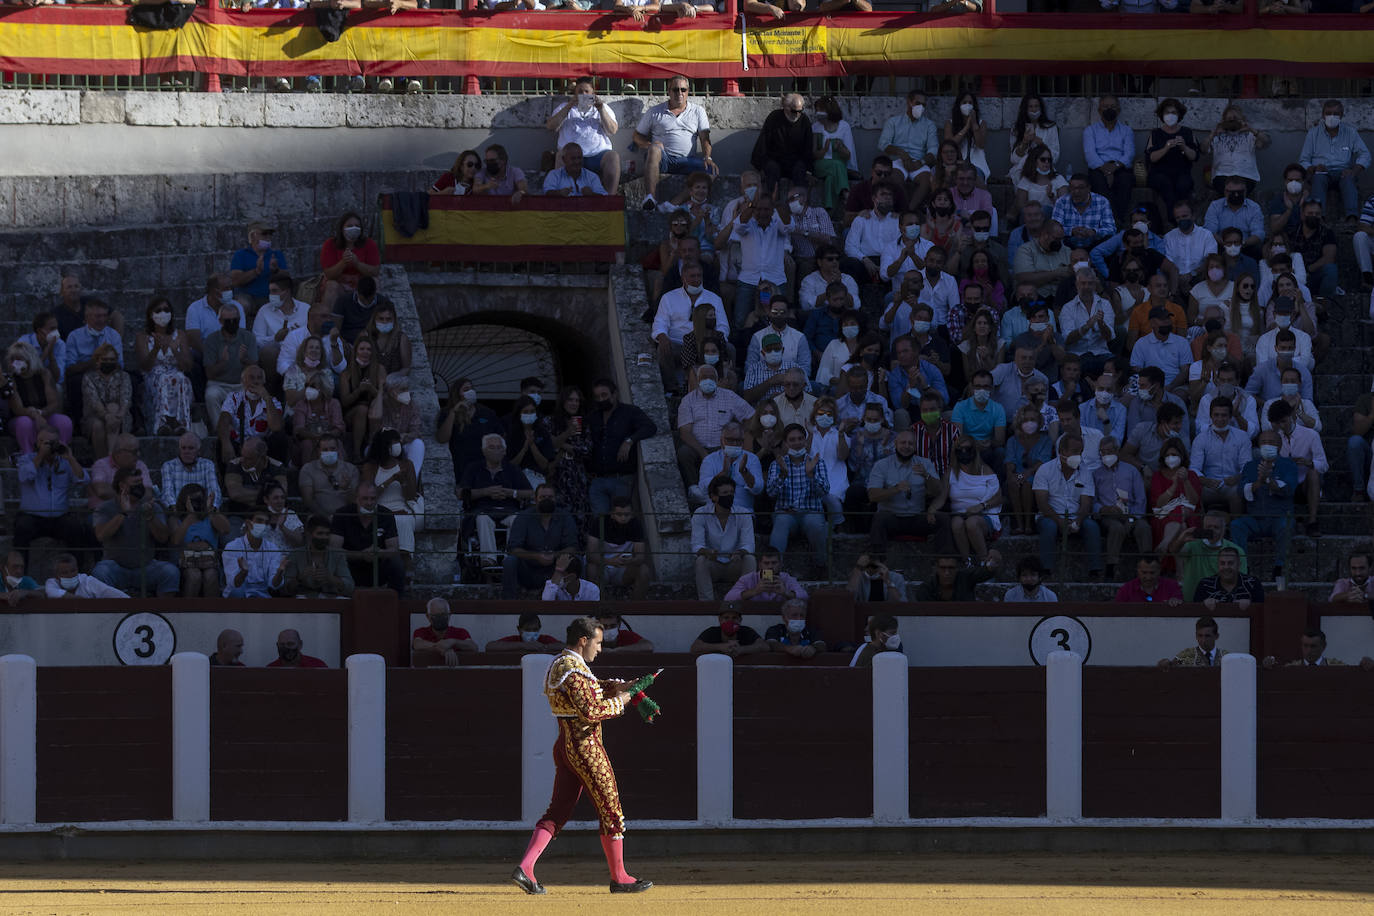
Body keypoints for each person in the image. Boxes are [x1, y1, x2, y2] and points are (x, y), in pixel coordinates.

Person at [513, 615, 653, 896]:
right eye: (598, 643)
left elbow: (592, 690)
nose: (600, 649)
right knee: (611, 809)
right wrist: (623, 700)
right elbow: (591, 710)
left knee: (558, 810)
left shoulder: (564, 665)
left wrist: (622, 686)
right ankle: (620, 877)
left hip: (566, 747)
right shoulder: (572, 670)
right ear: (583, 640)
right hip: (585, 746)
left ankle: (526, 868)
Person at [91, 467, 180, 597]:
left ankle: (163, 613)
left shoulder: (152, 506)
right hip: (116, 567)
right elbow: (101, 535)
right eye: (135, 484)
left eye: (141, 483)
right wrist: (123, 513)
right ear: (122, 486)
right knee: (100, 572)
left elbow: (163, 537)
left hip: (146, 567)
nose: (139, 487)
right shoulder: (104, 508)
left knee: (170, 572)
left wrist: (150, 517)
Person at [1230, 427, 1301, 588]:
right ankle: (1243, 567)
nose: (1267, 445)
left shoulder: (1288, 465)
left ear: (1279, 445)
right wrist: (1259, 483)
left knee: (1286, 526)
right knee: (1236, 525)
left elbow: (1289, 489)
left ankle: (1279, 567)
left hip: (1279, 517)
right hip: (1255, 518)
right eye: (1263, 442)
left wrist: (1269, 480)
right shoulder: (1250, 466)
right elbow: (1242, 490)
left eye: (1271, 442)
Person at [634, 75, 714, 212]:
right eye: (675, 89)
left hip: (688, 160)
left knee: (712, 170)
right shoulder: (654, 112)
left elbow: (704, 138)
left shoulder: (698, 111)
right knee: (654, 150)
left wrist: (708, 157)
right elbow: (637, 136)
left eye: (683, 89)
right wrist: (650, 146)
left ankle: (671, 204)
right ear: (668, 91)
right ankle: (650, 198)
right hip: (664, 159)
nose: (680, 93)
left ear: (688, 91)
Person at [13, 427, 89, 566]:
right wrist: (40, 456)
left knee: (76, 528)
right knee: (21, 528)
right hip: (32, 517)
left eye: (52, 442)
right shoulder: (26, 459)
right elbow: (24, 476)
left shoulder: (65, 462)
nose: (49, 446)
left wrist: (70, 458)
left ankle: (78, 577)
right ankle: (19, 579)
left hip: (59, 517)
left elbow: (83, 480)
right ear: (37, 443)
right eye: (45, 442)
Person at [1033, 433, 1102, 579]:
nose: (1079, 456)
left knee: (1092, 527)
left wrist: (1077, 521)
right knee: (1049, 527)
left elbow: (1086, 503)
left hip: (1076, 516)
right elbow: (1042, 503)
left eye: (1081, 452)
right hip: (1050, 517)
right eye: (1075, 452)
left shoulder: (1085, 472)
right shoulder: (1045, 470)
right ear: (1062, 451)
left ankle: (1095, 571)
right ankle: (1046, 570)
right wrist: (1060, 521)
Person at [585, 379, 657, 516]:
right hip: (597, 480)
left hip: (622, 479)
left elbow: (650, 427)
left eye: (604, 395)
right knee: (600, 523)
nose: (601, 399)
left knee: (623, 521)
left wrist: (629, 441)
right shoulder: (593, 417)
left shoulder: (629, 412)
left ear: (614, 394)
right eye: (598, 397)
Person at [676, 364, 753, 484]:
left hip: (722, 446)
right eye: (704, 377)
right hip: (697, 447)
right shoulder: (688, 400)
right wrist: (702, 452)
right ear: (698, 380)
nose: (708, 380)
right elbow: (685, 433)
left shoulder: (729, 396)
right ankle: (693, 488)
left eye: (711, 377)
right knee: (684, 453)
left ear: (717, 380)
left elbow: (751, 416)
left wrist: (740, 433)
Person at [502, 482, 579, 599]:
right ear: (535, 499)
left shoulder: (565, 517)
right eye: (543, 497)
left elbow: (572, 546)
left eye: (550, 497)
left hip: (556, 568)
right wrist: (536, 556)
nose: (546, 500)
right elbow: (513, 548)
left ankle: (578, 601)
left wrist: (554, 556)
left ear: (555, 498)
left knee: (577, 560)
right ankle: (508, 604)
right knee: (510, 561)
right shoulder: (523, 517)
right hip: (528, 570)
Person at [546, 76, 621, 195]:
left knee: (613, 157)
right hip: (570, 156)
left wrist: (601, 109)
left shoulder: (603, 108)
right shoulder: (564, 107)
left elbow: (613, 130)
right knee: (561, 155)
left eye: (587, 91)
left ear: (593, 93)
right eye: (580, 92)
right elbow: (550, 126)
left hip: (597, 155)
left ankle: (609, 199)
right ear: (575, 93)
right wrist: (569, 106)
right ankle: (562, 197)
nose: (583, 94)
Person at [1298, 100, 1371, 221]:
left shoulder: (1350, 132)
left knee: (1348, 179)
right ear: (1322, 115)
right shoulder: (1313, 133)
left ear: (1342, 115)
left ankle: (1351, 218)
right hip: (1321, 172)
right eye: (1328, 113)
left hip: (1343, 172)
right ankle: (1320, 218)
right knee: (1318, 178)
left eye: (1336, 113)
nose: (1332, 116)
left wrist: (1353, 171)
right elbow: (1303, 160)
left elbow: (1365, 155)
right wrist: (1314, 168)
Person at [329, 480, 405, 593]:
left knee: (396, 561)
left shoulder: (386, 514)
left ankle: (396, 599)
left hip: (377, 565)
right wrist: (361, 555)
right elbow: (334, 550)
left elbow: (394, 549)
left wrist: (378, 552)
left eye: (373, 498)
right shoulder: (342, 514)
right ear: (356, 498)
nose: (369, 503)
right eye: (365, 498)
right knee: (333, 560)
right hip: (349, 566)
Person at [1093, 436, 1151, 581]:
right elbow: (1092, 500)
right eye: (1102, 452)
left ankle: (1149, 566)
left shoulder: (1131, 471)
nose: (1106, 455)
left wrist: (1132, 518)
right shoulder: (1096, 474)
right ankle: (1111, 567)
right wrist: (1103, 509)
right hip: (1108, 517)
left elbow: (1140, 499)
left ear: (1117, 451)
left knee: (1143, 527)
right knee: (1116, 528)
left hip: (1130, 514)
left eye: (1109, 451)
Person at [692, 476, 756, 601]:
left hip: (734, 563)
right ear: (713, 497)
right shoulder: (700, 513)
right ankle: (707, 604)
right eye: (725, 493)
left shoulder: (743, 513)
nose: (729, 496)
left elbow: (749, 544)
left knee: (750, 559)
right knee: (700, 561)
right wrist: (707, 552)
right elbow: (696, 546)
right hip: (713, 564)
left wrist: (740, 552)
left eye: (732, 493)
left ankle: (743, 600)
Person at [134, 297, 191, 435]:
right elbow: (145, 366)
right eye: (158, 310)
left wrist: (175, 350)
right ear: (151, 314)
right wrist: (156, 349)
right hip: (153, 376)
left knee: (180, 378)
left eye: (166, 310)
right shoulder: (142, 337)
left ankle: (180, 423)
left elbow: (188, 366)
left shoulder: (180, 335)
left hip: (177, 375)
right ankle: (162, 424)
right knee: (164, 379)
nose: (163, 313)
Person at [1169, 509, 1247, 601]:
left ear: (1223, 529)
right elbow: (1174, 551)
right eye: (1208, 527)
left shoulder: (1237, 551)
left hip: (1222, 603)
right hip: (1193, 602)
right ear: (1203, 527)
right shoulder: (1192, 545)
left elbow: (1241, 580)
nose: (1212, 530)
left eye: (1216, 527)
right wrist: (1181, 540)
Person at [6, 341, 69, 455]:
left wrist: (41, 413)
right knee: (25, 423)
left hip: (44, 414)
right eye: (13, 359)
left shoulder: (44, 374)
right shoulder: (11, 379)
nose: (16, 362)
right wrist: (35, 415)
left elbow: (53, 403)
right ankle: (28, 454)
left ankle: (61, 454)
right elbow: (17, 409)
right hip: (22, 417)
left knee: (63, 421)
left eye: (19, 359)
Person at [945, 435, 1001, 564]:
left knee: (971, 523)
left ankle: (984, 562)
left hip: (984, 514)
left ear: (974, 451)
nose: (964, 452)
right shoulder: (950, 473)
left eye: (967, 449)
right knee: (957, 523)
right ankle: (967, 563)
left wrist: (981, 506)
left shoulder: (985, 470)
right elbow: (941, 495)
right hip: (959, 514)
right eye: (960, 449)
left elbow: (999, 497)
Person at [169, 483, 229, 598]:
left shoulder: (210, 516)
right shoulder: (175, 519)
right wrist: (190, 515)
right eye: (193, 500)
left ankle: (212, 612)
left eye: (199, 499)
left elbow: (226, 530)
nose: (196, 502)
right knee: (194, 575)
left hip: (209, 562)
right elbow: (176, 540)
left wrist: (211, 510)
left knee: (210, 575)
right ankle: (187, 611)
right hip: (186, 564)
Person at [1083, 95, 1136, 222]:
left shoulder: (1126, 130)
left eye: (1112, 107)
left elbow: (1129, 153)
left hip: (1120, 167)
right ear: (1099, 110)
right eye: (1105, 107)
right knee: (1100, 186)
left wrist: (1114, 168)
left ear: (1118, 110)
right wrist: (1106, 170)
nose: (1109, 109)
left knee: (1125, 183)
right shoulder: (1090, 131)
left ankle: (1118, 221)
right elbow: (1090, 154)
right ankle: (1111, 222)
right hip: (1099, 168)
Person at [586, 497, 650, 599]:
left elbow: (641, 557)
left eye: (627, 514)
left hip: (624, 568)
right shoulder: (599, 522)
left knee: (644, 570)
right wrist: (610, 561)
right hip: (603, 566)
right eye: (619, 514)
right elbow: (591, 555)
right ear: (612, 514)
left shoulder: (636, 525)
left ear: (632, 514)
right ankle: (600, 604)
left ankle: (635, 608)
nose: (623, 518)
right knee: (591, 567)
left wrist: (631, 560)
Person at [750, 92, 811, 198]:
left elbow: (808, 147)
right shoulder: (774, 118)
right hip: (776, 160)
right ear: (786, 108)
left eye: (800, 111)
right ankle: (772, 203)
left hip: (795, 161)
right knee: (772, 169)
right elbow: (763, 143)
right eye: (794, 111)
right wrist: (759, 166)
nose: (797, 114)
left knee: (800, 170)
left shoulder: (804, 120)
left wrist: (810, 169)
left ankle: (800, 204)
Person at [222, 506, 288, 598]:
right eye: (259, 521)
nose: (263, 525)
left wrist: (280, 572)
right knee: (237, 592)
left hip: (262, 595)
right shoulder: (232, 547)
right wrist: (243, 572)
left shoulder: (273, 548)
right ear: (248, 523)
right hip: (238, 595)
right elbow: (233, 584)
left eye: (266, 522)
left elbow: (274, 584)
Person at [281, 515, 354, 599]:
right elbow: (284, 588)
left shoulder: (337, 554)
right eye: (320, 533)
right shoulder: (296, 554)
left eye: (327, 534)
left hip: (331, 600)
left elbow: (350, 587)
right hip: (303, 600)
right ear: (309, 534)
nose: (324, 537)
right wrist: (299, 579)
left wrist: (330, 578)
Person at [80, 343, 130, 461]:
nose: (109, 362)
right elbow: (93, 400)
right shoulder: (88, 377)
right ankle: (103, 461)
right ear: (97, 361)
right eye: (105, 359)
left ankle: (111, 456)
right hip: (93, 416)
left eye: (112, 359)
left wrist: (118, 416)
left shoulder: (124, 376)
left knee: (113, 407)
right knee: (98, 425)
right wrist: (107, 416)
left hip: (120, 417)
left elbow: (126, 398)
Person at [228, 221, 289, 313]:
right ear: (252, 236)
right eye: (264, 234)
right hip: (247, 296)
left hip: (270, 296)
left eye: (270, 234)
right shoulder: (241, 255)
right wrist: (256, 272)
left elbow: (287, 278)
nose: (268, 237)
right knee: (241, 304)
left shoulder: (276, 255)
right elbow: (235, 281)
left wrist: (276, 270)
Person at [811, 95, 859, 210]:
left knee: (830, 179)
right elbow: (814, 155)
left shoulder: (844, 126)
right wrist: (824, 149)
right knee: (836, 165)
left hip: (839, 167)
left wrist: (840, 148)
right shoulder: (815, 128)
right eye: (817, 110)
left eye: (821, 110)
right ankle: (845, 192)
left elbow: (848, 154)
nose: (818, 113)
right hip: (821, 165)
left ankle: (829, 210)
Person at [1051, 173, 1117, 250]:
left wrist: (1094, 232)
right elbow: (1054, 229)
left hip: (1094, 244)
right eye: (1072, 188)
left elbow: (1111, 229)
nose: (1076, 191)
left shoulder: (1102, 201)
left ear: (1089, 188)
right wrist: (1071, 231)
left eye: (1081, 188)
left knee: (1108, 240)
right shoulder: (1061, 201)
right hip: (1068, 244)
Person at [411, 597, 477, 667]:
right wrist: (442, 647)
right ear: (428, 616)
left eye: (443, 615)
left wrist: (453, 641)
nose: (440, 618)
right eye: (436, 616)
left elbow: (473, 647)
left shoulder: (460, 632)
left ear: (449, 615)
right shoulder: (421, 632)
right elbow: (417, 644)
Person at [723, 546, 805, 602]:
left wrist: (786, 593)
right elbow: (728, 598)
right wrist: (754, 591)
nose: (770, 566)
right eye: (766, 563)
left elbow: (805, 596)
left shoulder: (786, 578)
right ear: (759, 565)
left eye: (774, 563)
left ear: (780, 564)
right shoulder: (748, 578)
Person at [1263, 629, 1374, 670]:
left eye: (1313, 646)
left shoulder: (1337, 667)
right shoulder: (1292, 667)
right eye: (1305, 646)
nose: (1309, 650)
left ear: (1323, 646)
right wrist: (1269, 665)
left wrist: (1367, 664)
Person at [1009, 94, 1061, 180]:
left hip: (1045, 168)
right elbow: (1014, 159)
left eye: (1036, 106)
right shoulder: (1016, 128)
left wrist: (1040, 143)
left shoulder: (1051, 127)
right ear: (1025, 109)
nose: (1034, 110)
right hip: (1023, 169)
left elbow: (1055, 157)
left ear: (1041, 108)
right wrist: (1024, 142)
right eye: (1030, 106)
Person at [1194, 546, 1265, 607]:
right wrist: (1203, 604)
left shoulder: (1253, 583)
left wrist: (1251, 605)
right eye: (1222, 563)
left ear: (1239, 565)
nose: (1226, 567)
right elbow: (1194, 613)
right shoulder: (1205, 584)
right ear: (1217, 565)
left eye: (1230, 563)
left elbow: (1263, 610)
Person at [691, 604, 768, 657]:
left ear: (740, 620)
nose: (730, 621)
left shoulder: (746, 631)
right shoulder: (712, 632)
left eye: (734, 618)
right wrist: (720, 647)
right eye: (726, 617)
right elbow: (695, 648)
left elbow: (765, 646)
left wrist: (741, 649)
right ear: (720, 620)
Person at [763, 598, 829, 660]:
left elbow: (821, 645)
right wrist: (789, 649)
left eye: (802, 615)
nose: (799, 618)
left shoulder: (812, 631)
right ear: (784, 618)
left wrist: (813, 648)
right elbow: (771, 644)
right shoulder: (775, 630)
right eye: (794, 615)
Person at [45, 553, 128, 599]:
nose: (70, 575)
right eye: (65, 573)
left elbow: (115, 594)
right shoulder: (51, 583)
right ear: (56, 576)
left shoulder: (88, 581)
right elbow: (52, 593)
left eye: (73, 571)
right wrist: (81, 601)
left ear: (77, 569)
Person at [1157, 616, 1227, 669]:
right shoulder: (1186, 656)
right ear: (1196, 636)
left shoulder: (1226, 657)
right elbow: (1172, 665)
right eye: (1200, 636)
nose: (1203, 640)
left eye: (1207, 636)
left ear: (1216, 636)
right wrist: (1166, 663)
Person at [543, 143, 608, 198]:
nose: (577, 162)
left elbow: (604, 198)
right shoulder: (554, 175)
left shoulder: (592, 177)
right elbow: (546, 194)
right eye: (573, 158)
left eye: (579, 158)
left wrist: (592, 194)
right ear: (564, 159)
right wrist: (559, 193)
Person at [1116, 555, 1184, 604]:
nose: (1148, 577)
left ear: (1159, 570)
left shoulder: (1172, 586)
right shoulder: (1126, 589)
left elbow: (1179, 602)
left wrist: (1175, 600)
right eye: (1144, 572)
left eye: (1152, 573)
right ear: (1137, 570)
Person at [486, 613, 564, 655]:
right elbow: (490, 646)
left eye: (535, 629)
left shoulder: (544, 639)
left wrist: (545, 646)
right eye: (528, 629)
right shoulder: (515, 639)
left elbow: (565, 646)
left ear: (539, 628)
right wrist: (523, 645)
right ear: (519, 630)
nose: (532, 632)